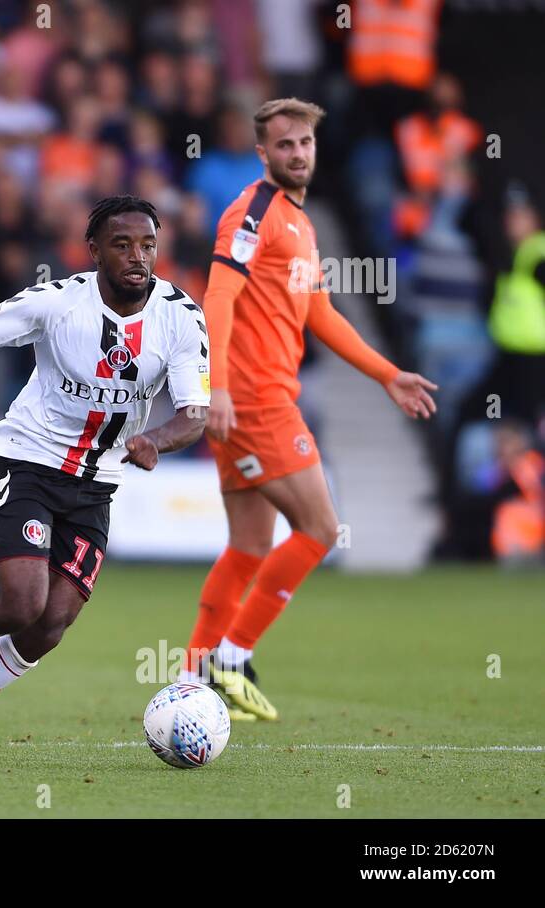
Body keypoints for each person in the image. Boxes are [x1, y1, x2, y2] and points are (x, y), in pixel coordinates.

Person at [0, 195, 211, 760]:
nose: (138, 257)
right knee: (20, 603)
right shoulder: (58, 301)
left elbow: (194, 414)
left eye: (149, 245)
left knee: (48, 626)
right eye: (123, 244)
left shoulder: (181, 315)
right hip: (28, 461)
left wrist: (155, 439)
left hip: (96, 484)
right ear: (94, 251)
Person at [180, 98, 438, 720]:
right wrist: (215, 387)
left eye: (306, 144)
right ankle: (233, 658)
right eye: (285, 145)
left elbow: (319, 313)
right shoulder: (254, 213)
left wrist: (386, 374)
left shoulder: (300, 221)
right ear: (263, 152)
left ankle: (190, 676)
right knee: (321, 530)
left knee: (247, 545)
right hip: (256, 400)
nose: (298, 154)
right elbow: (218, 296)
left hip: (249, 401)